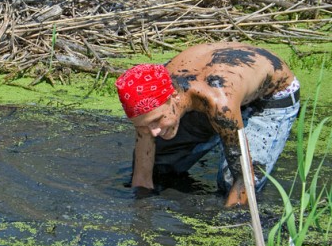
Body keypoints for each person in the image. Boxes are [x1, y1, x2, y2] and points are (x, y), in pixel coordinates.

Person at [115, 42, 300, 207]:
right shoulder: (147, 96)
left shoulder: (219, 103)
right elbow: (142, 177)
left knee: (231, 182)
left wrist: (228, 223)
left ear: (173, 97)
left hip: (268, 95)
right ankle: (216, 136)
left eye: (157, 121)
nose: (153, 132)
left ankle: (225, 138)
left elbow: (244, 180)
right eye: (143, 126)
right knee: (159, 166)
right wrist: (140, 208)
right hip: (207, 92)